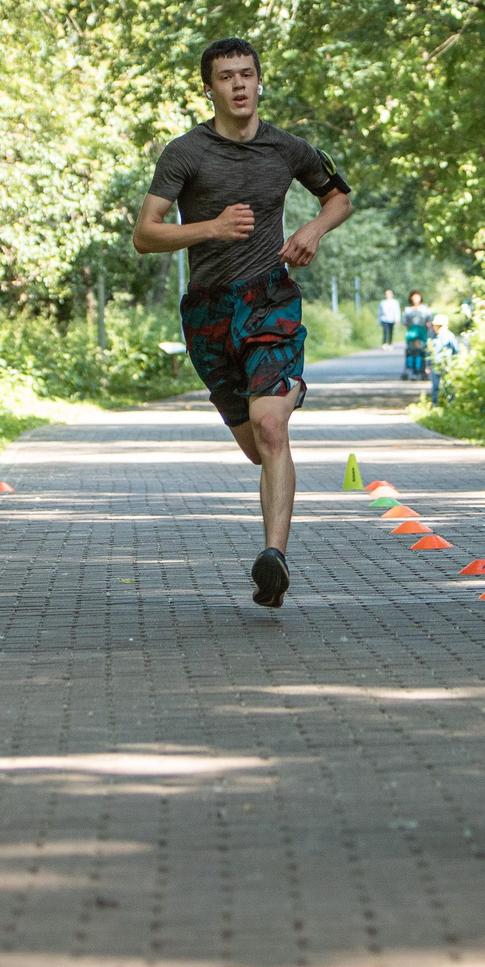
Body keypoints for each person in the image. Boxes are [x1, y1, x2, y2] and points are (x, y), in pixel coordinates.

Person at [136, 37, 352, 610]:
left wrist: (311, 231)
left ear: (260, 81)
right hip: (208, 309)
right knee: (258, 446)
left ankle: (273, 558)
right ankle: (288, 391)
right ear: (208, 87)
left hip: (270, 298)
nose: (238, 85)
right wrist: (208, 227)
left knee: (272, 426)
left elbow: (339, 198)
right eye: (226, 76)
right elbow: (146, 234)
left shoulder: (287, 148)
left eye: (247, 74)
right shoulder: (185, 153)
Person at [424, 314, 467, 405]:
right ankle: (435, 403)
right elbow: (429, 351)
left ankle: (449, 403)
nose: (437, 328)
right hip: (435, 364)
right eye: (436, 326)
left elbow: (455, 351)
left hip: (447, 364)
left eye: (439, 326)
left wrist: (456, 363)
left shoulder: (449, 336)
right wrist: (428, 364)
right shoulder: (432, 337)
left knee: (448, 385)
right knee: (435, 386)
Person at [400, 289, 432, 378]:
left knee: (423, 352)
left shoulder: (425, 309)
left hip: (422, 334)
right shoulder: (408, 310)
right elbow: (405, 322)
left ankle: (422, 370)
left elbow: (429, 322)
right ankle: (410, 370)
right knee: (410, 352)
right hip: (412, 334)